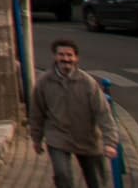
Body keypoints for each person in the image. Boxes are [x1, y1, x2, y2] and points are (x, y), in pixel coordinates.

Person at [30, 38, 119, 188]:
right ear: (55, 57)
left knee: (96, 181)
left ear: (76, 58)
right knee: (62, 175)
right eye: (61, 55)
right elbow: (36, 112)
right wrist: (36, 139)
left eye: (69, 55)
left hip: (87, 138)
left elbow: (103, 113)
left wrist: (110, 142)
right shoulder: (44, 82)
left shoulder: (88, 83)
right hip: (58, 136)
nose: (65, 59)